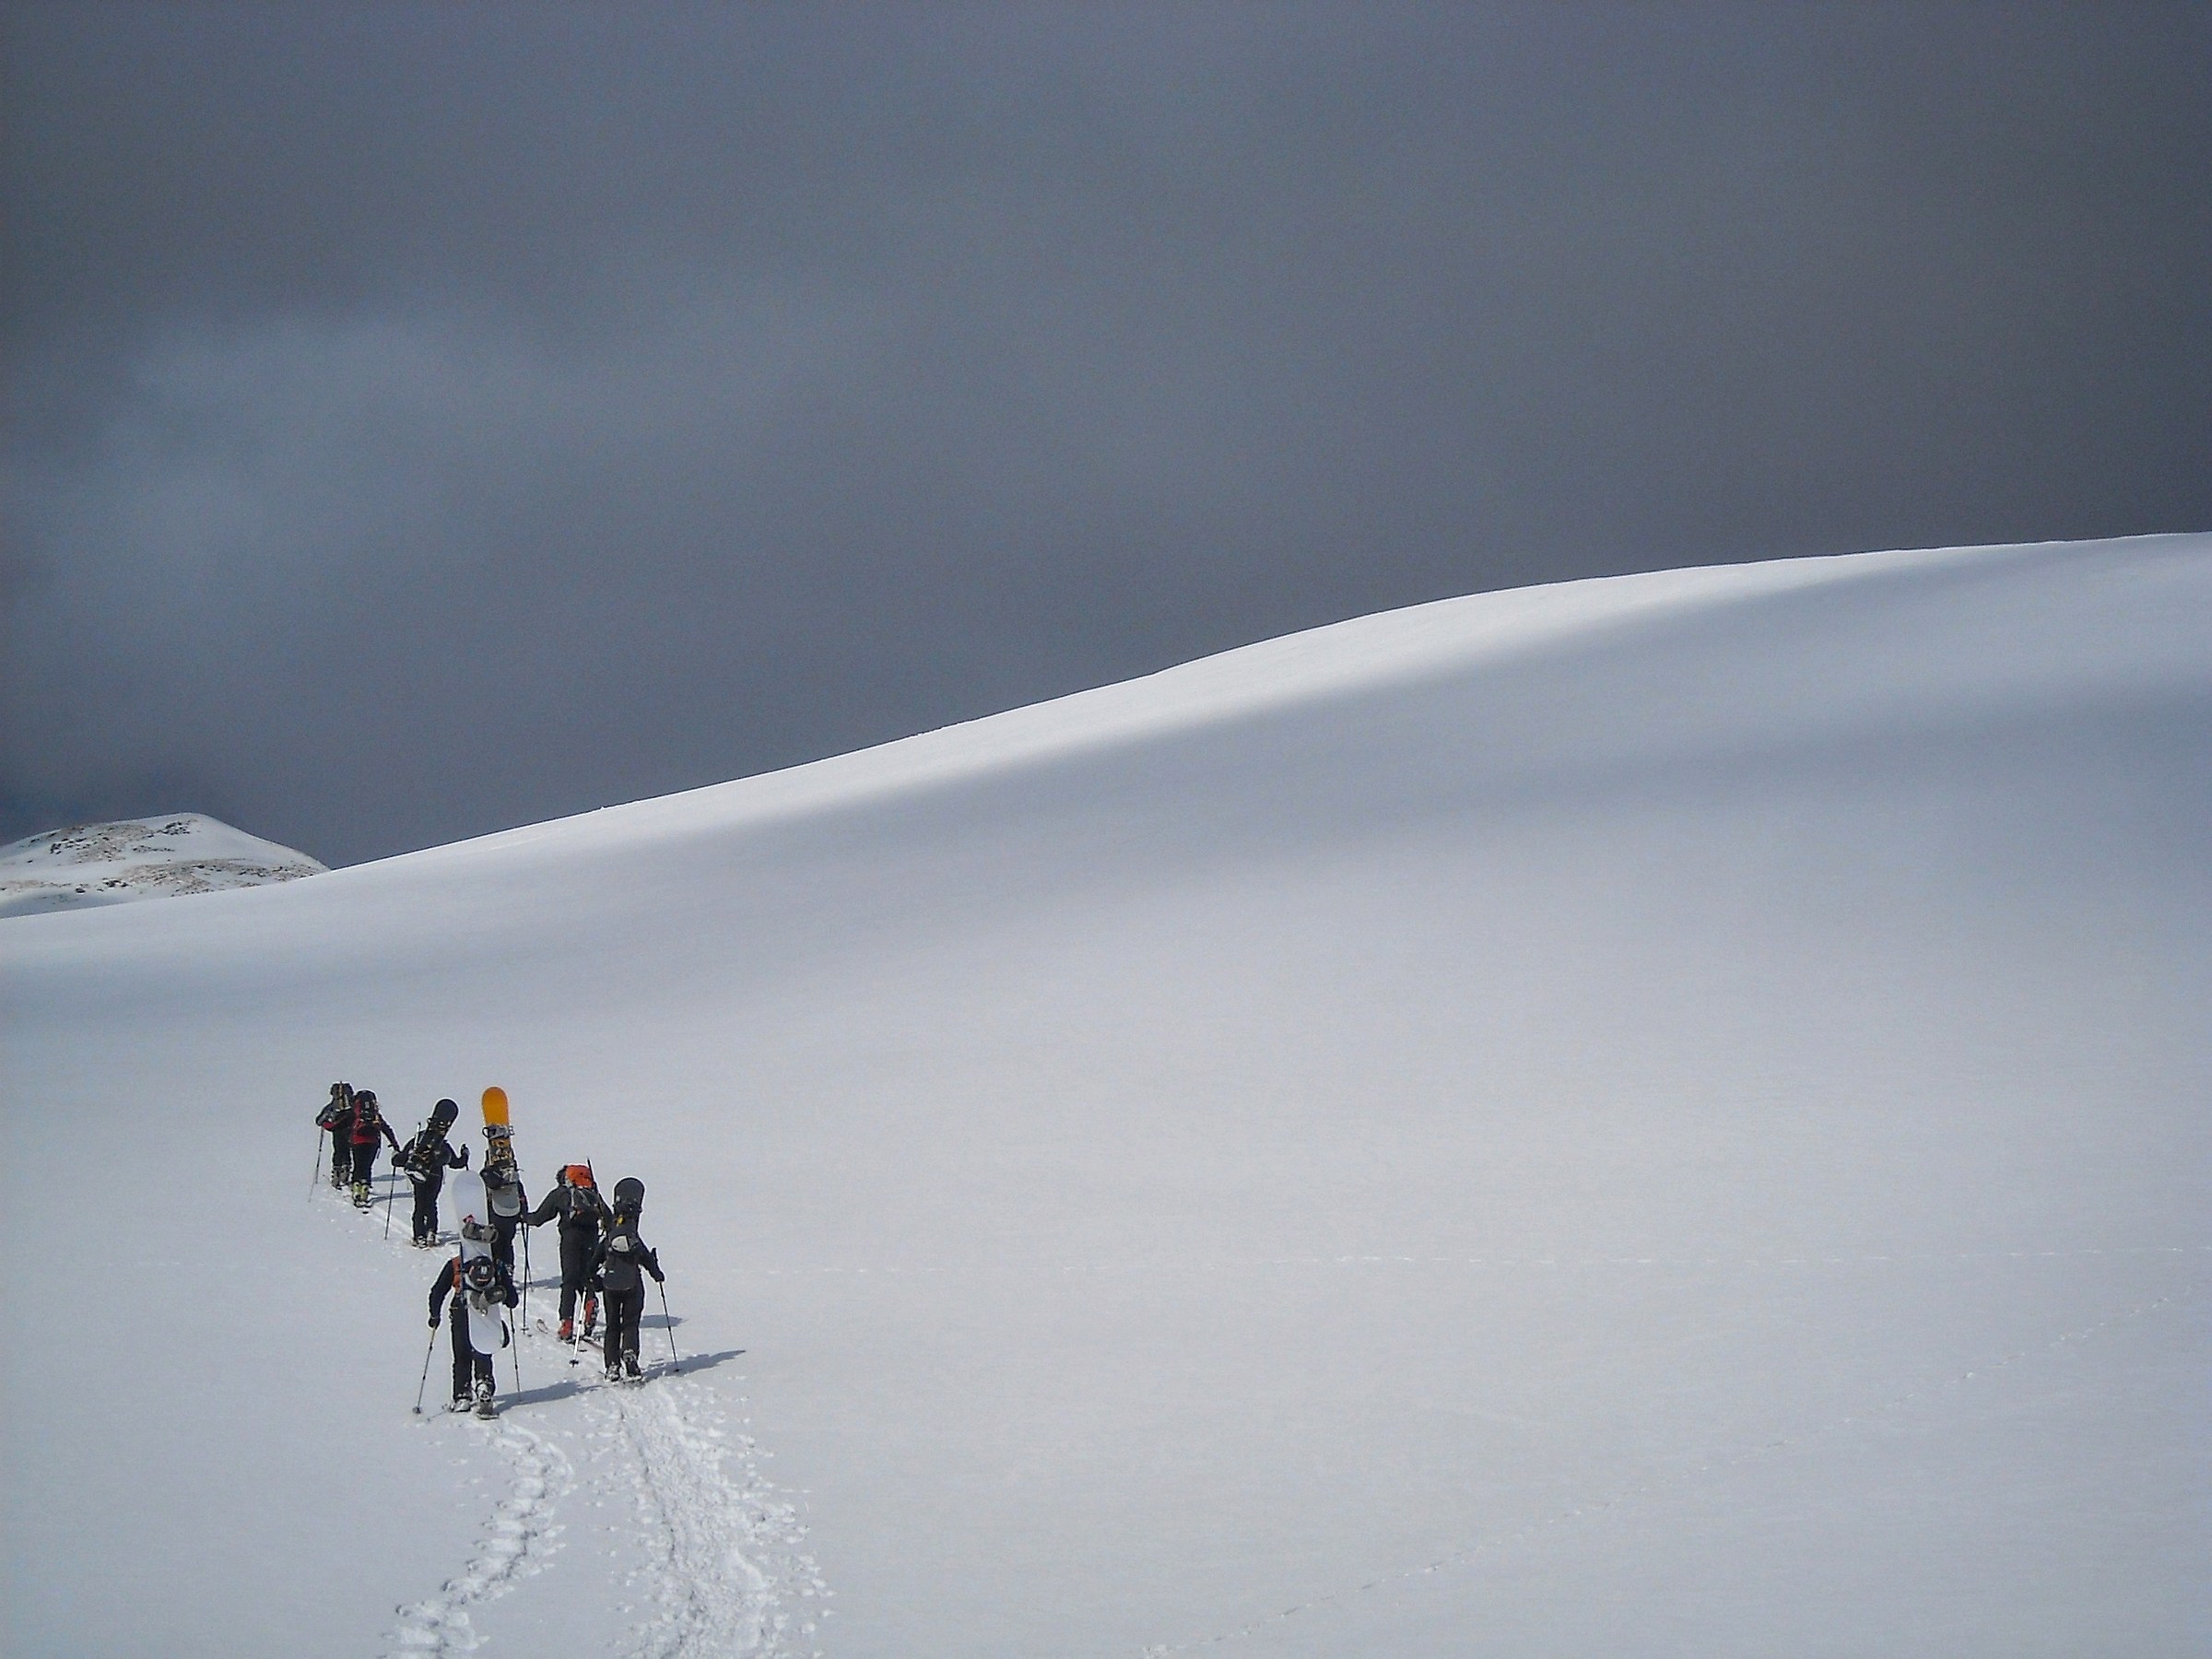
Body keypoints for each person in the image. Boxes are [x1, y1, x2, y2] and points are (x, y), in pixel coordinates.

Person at [428, 1227, 518, 1417]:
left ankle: (462, 1396)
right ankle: (484, 1386)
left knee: (461, 1354)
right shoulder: (496, 1266)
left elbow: (437, 1292)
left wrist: (434, 1316)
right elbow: (512, 1300)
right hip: (487, 1310)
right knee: (483, 1349)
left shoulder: (456, 1264)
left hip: (460, 1309)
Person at [591, 1177, 665, 1382]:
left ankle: (612, 1366)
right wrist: (657, 1274)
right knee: (631, 1323)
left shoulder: (609, 1237)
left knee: (612, 1325)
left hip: (611, 1286)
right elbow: (649, 1263)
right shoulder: (634, 1237)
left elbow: (592, 1265)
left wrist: (595, 1281)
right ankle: (630, 1353)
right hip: (633, 1284)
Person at [526, 1165, 608, 1341]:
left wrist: (521, 1216)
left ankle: (567, 1324)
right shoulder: (592, 1193)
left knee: (569, 1280)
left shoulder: (561, 1193)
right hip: (592, 1238)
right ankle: (590, 1301)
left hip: (570, 1238)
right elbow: (608, 1218)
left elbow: (539, 1218)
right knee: (586, 1275)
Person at [398, 1100, 470, 1246]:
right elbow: (457, 1163)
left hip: (419, 1175)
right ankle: (431, 1231)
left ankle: (419, 1236)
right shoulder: (442, 1142)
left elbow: (400, 1159)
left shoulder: (419, 1138)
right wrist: (465, 1154)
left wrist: (396, 1156)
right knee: (431, 1203)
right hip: (436, 1176)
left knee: (419, 1204)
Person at [347, 1088, 401, 1208]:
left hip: (357, 1141)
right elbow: (387, 1129)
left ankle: (356, 1188)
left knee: (358, 1165)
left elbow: (344, 1125)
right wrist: (395, 1145)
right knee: (367, 1166)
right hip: (373, 1142)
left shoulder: (355, 1113)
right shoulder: (375, 1116)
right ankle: (365, 1187)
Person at [481, 1154, 529, 1276]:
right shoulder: (514, 1183)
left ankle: (495, 1271)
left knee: (493, 1244)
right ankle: (508, 1268)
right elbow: (522, 1198)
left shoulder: (487, 1181)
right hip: (511, 1217)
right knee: (507, 1243)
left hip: (493, 1216)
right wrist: (523, 1214)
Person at [315, 1083, 354, 1189]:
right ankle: (346, 1171)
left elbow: (319, 1120)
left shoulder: (332, 1106)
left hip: (337, 1130)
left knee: (338, 1150)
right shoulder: (353, 1105)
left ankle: (336, 1173)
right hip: (351, 1131)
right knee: (347, 1150)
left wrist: (325, 1123)